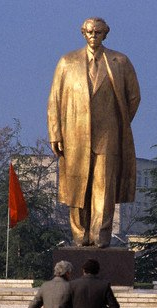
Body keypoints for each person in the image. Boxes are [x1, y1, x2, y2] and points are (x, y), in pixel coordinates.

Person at [47, 17, 141, 248]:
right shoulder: (67, 62)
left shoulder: (120, 61)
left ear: (105, 34)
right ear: (83, 33)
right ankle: (79, 236)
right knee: (77, 189)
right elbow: (55, 100)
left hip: (108, 138)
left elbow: (134, 97)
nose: (93, 36)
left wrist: (118, 123)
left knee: (104, 189)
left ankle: (100, 236)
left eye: (98, 32)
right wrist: (55, 133)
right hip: (74, 137)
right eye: (89, 32)